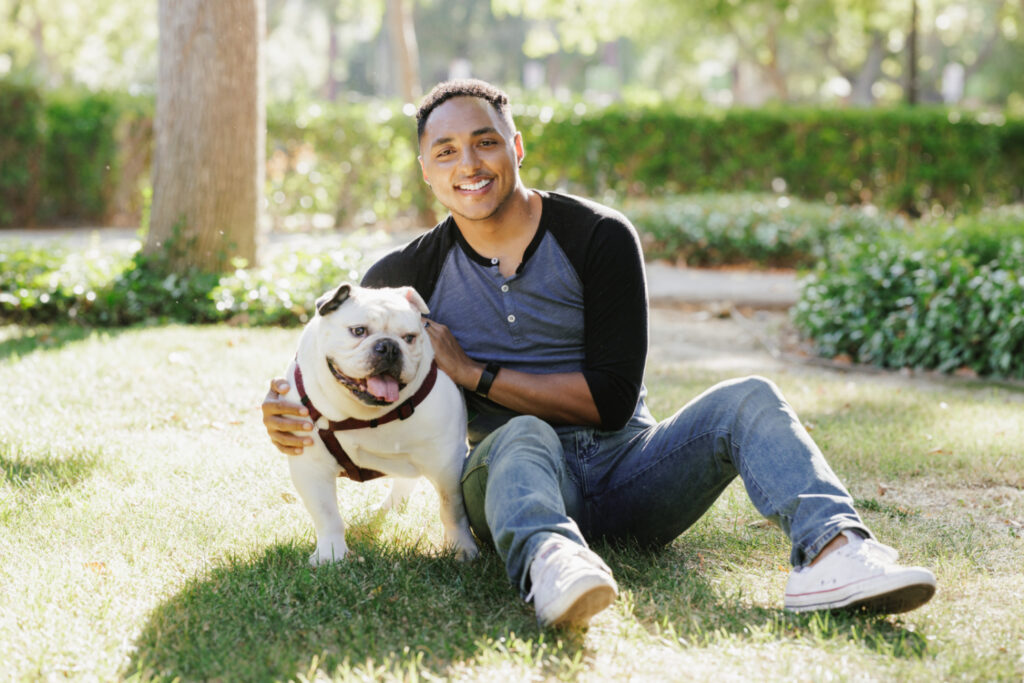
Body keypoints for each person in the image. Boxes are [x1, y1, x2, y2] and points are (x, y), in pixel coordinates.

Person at [261, 79, 937, 629]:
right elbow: (367, 387)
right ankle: (554, 564)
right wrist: (298, 418)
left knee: (751, 397)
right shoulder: (406, 274)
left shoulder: (598, 235)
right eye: (446, 151)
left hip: (630, 470)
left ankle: (837, 552)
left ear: (516, 146)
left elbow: (612, 400)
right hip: (510, 482)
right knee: (521, 433)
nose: (468, 165)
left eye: (485, 142)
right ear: (425, 169)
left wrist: (475, 373)